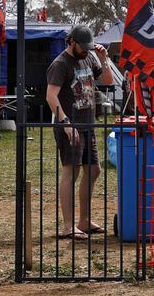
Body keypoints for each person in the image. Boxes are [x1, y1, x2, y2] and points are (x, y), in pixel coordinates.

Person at [46, 25, 113, 240]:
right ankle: (68, 226)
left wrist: (104, 58)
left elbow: (109, 82)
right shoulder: (60, 64)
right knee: (71, 172)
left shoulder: (90, 57)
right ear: (71, 41)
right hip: (70, 125)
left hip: (88, 124)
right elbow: (51, 97)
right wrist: (65, 123)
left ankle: (84, 220)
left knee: (93, 170)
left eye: (89, 48)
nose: (86, 51)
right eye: (83, 47)